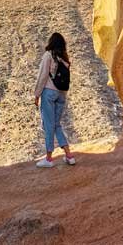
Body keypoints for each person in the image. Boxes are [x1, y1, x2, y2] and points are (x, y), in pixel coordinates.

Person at [34, 32, 76, 168]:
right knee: (57, 124)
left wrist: (37, 95)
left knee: (48, 125)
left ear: (51, 42)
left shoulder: (48, 55)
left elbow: (42, 76)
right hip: (62, 94)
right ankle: (69, 156)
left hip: (49, 94)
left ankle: (49, 159)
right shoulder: (64, 58)